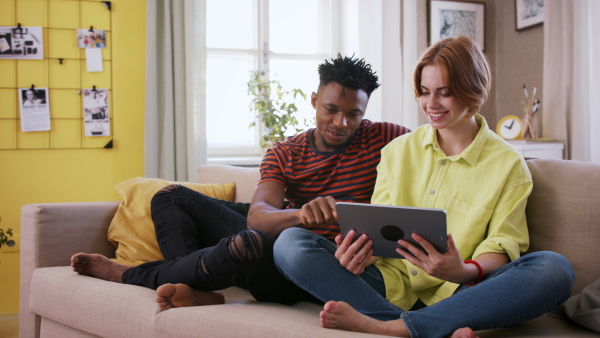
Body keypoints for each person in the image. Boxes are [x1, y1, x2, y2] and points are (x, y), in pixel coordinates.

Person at [273, 36, 575, 338]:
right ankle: (431, 327)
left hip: (461, 291)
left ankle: (392, 327)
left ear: (473, 90)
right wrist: (361, 254)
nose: (431, 104)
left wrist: (463, 270)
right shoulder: (397, 151)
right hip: (389, 284)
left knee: (554, 270)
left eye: (444, 93)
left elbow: (503, 246)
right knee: (290, 245)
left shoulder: (509, 165)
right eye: (425, 92)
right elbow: (381, 227)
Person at [71, 54, 410, 309]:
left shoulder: (386, 137)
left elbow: (440, 141)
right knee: (170, 197)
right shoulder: (286, 152)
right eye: (330, 109)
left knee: (250, 244)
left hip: (306, 268)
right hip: (283, 237)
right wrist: (300, 215)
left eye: (353, 114)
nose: (340, 122)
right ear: (313, 101)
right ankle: (198, 289)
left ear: (365, 112)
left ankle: (130, 274)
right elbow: (259, 215)